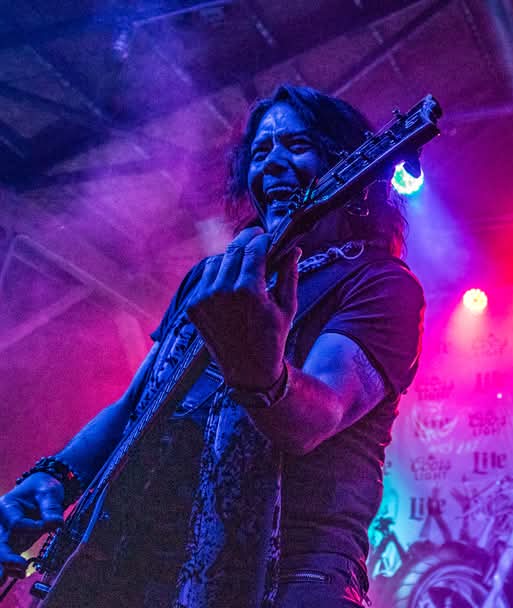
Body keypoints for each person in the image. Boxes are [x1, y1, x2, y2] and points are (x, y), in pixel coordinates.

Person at [0, 85, 425, 607]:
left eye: (296, 146)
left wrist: (261, 373)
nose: (271, 164)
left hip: (297, 573)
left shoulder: (379, 283)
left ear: (348, 161)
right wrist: (55, 477)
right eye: (260, 152)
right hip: (148, 560)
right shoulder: (215, 278)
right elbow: (136, 408)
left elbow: (316, 418)